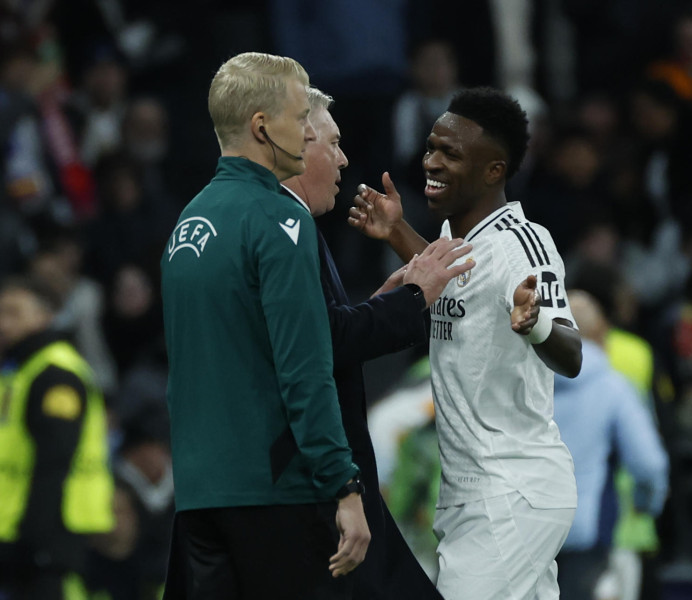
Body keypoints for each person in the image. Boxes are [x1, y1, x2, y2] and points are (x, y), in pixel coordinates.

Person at [349, 86, 583, 600]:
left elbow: (572, 354)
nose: (431, 161)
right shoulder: (466, 243)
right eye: (431, 146)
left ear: (493, 170)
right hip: (476, 491)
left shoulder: (525, 244)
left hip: (509, 489)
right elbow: (453, 278)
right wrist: (396, 232)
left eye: (449, 153)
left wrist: (537, 323)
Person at [160, 52, 369, 600]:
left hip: (201, 497)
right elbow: (306, 369)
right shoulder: (280, 217)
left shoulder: (189, 222)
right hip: (274, 495)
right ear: (261, 126)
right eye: (301, 118)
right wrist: (343, 485)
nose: (308, 133)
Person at [282, 87, 474, 598]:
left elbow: (321, 334)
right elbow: (323, 350)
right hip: (322, 484)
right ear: (297, 145)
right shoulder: (285, 226)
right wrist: (345, 492)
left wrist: (384, 300)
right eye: (335, 143)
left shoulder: (276, 221)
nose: (345, 158)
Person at [0, 276, 115, 599]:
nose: (3, 323)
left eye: (13, 312)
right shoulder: (21, 369)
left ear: (45, 315)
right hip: (21, 523)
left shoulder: (55, 374)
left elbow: (55, 458)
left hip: (53, 528)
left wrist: (37, 539)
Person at [553, 290, 669, 600]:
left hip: (524, 532)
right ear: (601, 332)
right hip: (587, 533)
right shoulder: (612, 388)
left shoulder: (523, 385)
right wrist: (648, 502)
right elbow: (649, 462)